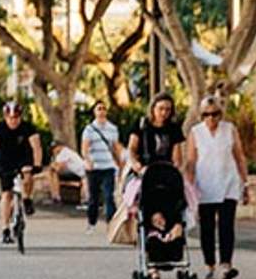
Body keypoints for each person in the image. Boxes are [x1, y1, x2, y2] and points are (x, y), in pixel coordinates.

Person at [189, 94, 247, 279]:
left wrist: (244, 182)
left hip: (228, 183)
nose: (211, 118)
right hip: (205, 185)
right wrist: (189, 186)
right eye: (206, 114)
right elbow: (191, 161)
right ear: (201, 115)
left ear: (220, 114)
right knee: (207, 228)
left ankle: (226, 265)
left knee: (226, 225)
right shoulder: (195, 132)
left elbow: (239, 156)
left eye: (215, 114)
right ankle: (210, 265)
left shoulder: (229, 129)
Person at [0, 100, 42, 245]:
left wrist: (37, 165)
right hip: (5, 162)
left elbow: (36, 147)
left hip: (23, 159)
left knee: (28, 175)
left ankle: (27, 199)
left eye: (16, 118)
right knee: (7, 195)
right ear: (5, 117)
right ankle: (5, 229)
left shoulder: (28, 128)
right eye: (10, 118)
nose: (13, 121)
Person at [81, 101, 124, 230]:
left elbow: (116, 148)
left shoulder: (112, 128)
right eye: (99, 108)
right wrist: (87, 160)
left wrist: (120, 164)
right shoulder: (89, 129)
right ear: (94, 111)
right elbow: (84, 147)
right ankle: (91, 221)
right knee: (93, 197)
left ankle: (111, 223)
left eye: (104, 108)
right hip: (94, 167)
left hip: (108, 166)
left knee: (109, 195)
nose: (101, 111)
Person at [128, 91, 186, 172]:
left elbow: (177, 157)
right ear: (153, 108)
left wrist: (175, 168)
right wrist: (135, 164)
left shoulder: (174, 128)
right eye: (160, 108)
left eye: (167, 110)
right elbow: (132, 149)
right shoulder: (141, 124)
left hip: (166, 171)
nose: (164, 113)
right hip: (143, 170)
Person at [46, 142, 88, 209]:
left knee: (52, 173)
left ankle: (56, 197)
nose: (54, 151)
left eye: (54, 148)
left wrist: (52, 165)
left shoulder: (64, 153)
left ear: (60, 146)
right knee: (51, 173)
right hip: (78, 173)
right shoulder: (65, 152)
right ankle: (55, 196)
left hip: (83, 173)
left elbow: (58, 168)